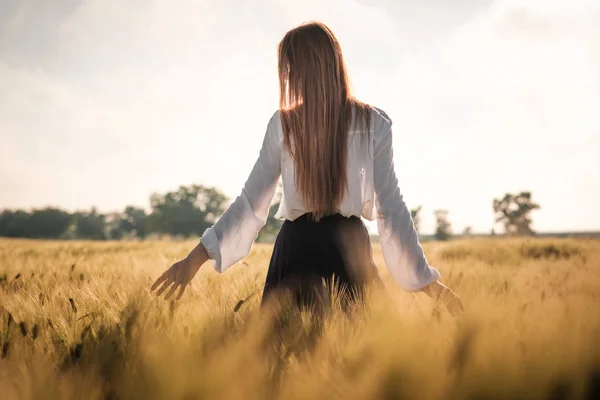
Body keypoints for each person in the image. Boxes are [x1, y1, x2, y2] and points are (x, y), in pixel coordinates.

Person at [151, 21, 463, 315]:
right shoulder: (373, 124)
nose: (285, 77)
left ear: (307, 68)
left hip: (296, 252)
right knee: (366, 363)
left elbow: (250, 205)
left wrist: (194, 260)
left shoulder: (287, 125)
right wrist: (428, 283)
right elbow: (391, 209)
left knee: (284, 362)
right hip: (349, 249)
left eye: (289, 68)